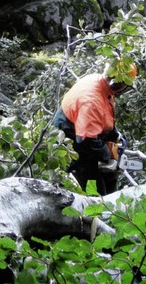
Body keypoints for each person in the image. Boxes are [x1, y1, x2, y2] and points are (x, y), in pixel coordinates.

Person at [52, 61, 137, 195]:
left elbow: (101, 115)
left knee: (110, 178)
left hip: (82, 129)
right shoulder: (91, 101)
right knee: (97, 190)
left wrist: (113, 134)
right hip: (71, 138)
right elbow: (86, 141)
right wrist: (107, 154)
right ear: (117, 84)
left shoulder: (101, 84)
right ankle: (96, 209)